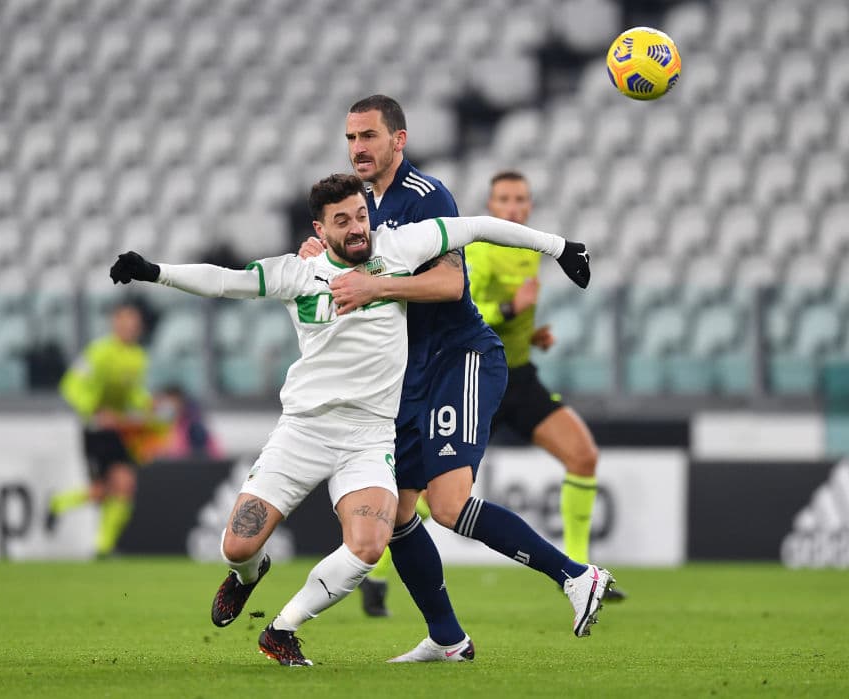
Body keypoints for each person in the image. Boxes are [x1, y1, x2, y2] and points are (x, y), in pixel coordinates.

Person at [108, 173, 592, 666]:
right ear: (320, 230)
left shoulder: (398, 248)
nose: (358, 227)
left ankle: (282, 628)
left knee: (368, 547)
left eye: (361, 214)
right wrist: (154, 271)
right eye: (342, 221)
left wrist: (559, 247)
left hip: (370, 436)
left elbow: (478, 226)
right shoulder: (298, 273)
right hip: (303, 431)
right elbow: (224, 281)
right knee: (237, 547)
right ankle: (247, 575)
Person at [301, 95, 616, 661]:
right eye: (350, 138)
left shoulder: (426, 196)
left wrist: (376, 287)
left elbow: (449, 285)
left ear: (399, 139)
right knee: (398, 511)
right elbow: (351, 264)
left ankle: (576, 576)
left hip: (459, 356)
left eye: (369, 136)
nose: (358, 148)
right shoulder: (359, 204)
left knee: (447, 505)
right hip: (409, 372)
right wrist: (318, 253)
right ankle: (447, 637)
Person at [465, 171, 625, 602]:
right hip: (478, 380)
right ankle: (376, 575)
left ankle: (580, 573)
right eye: (504, 199)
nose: (513, 207)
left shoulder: (528, 250)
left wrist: (530, 335)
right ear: (491, 205)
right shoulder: (480, 249)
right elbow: (466, 309)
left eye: (520, 199)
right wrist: (510, 308)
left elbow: (507, 321)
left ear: (530, 205)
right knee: (436, 496)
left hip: (519, 376)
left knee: (583, 456)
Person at [47, 303, 159, 557]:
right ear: (115, 324)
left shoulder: (138, 357)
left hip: (118, 430)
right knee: (100, 491)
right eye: (125, 322)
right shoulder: (98, 352)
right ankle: (59, 503)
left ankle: (103, 548)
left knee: (125, 485)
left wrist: (146, 404)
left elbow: (133, 393)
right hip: (96, 430)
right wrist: (95, 411)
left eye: (134, 324)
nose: (130, 328)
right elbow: (71, 386)